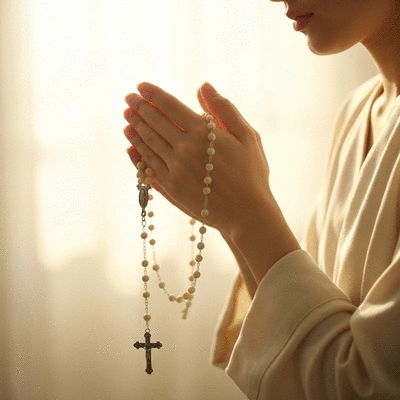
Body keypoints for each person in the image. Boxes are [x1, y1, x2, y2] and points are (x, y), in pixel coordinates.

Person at [123, 0, 400, 398]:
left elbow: (366, 386)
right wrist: (228, 209)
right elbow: (315, 323)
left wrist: (248, 214)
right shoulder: (358, 111)